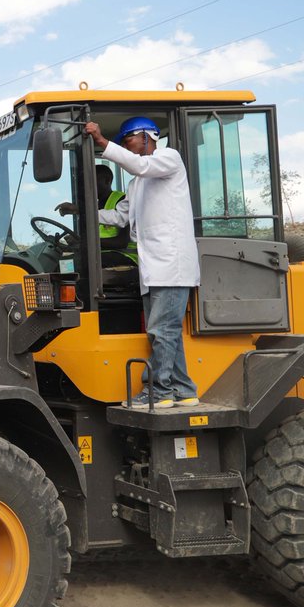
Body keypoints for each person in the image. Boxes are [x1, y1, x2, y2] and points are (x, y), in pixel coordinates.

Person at [85, 116, 200, 408]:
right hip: (153, 269)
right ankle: (184, 391)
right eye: (123, 143)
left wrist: (102, 142)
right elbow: (119, 216)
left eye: (129, 140)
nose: (127, 146)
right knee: (166, 333)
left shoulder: (168, 159)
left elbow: (140, 165)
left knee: (162, 331)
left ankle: (158, 392)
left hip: (171, 265)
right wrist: (82, 212)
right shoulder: (138, 183)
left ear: (147, 136)